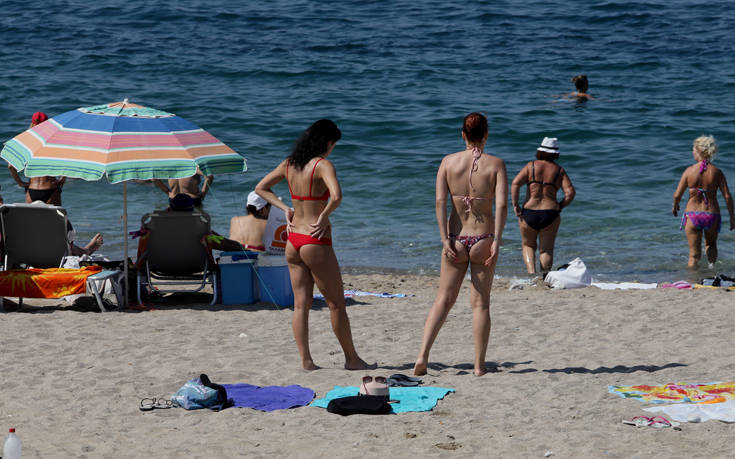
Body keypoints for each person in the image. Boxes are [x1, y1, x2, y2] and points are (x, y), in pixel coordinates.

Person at [255, 119, 369, 371]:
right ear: (327, 142)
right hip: (314, 240)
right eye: (333, 144)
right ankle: (352, 359)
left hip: (293, 239)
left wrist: (285, 208)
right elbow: (336, 196)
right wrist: (325, 215)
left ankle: (306, 361)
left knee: (300, 305)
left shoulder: (289, 164)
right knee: (336, 304)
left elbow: (261, 188)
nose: (332, 149)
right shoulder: (322, 165)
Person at [413, 112, 508, 377]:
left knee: (443, 300)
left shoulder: (448, 162)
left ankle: (422, 356)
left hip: (455, 238)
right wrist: (497, 241)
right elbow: (501, 205)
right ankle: (478, 366)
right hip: (483, 239)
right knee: (481, 304)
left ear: (463, 134)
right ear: (486, 135)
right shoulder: (496, 164)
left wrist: (444, 238)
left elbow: (440, 202)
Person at [511, 137, 575, 274]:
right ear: (555, 153)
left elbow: (515, 183)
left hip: (529, 212)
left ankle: (531, 274)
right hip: (550, 213)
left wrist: (515, 204)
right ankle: (544, 277)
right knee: (546, 250)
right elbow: (570, 193)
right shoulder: (559, 170)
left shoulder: (531, 166)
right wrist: (561, 206)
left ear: (540, 151)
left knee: (528, 245)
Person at [673, 135, 734, 268]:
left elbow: (677, 195)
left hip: (693, 215)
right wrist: (732, 217)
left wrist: (675, 206)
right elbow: (727, 197)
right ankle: (711, 271)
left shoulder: (689, 171)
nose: (692, 152)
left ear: (699, 151)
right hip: (712, 214)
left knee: (694, 255)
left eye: (693, 149)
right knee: (711, 245)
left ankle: (692, 278)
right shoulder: (717, 172)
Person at [8, 112, 66, 205]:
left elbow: (11, 166)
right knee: (57, 215)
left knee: (32, 215)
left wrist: (20, 183)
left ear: (32, 123)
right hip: (50, 188)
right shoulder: (53, 142)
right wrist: (63, 178)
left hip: (32, 189)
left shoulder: (25, 142)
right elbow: (65, 161)